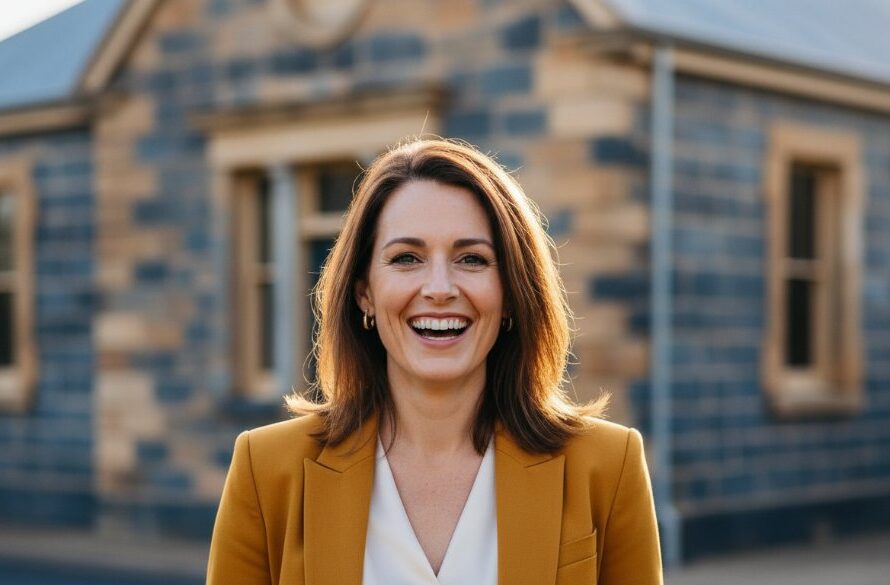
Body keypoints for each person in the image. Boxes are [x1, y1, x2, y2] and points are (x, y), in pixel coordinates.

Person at [206, 138, 662, 585]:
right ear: (364, 291)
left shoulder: (606, 466)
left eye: (471, 258)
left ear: (510, 292)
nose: (440, 288)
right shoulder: (266, 470)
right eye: (407, 258)